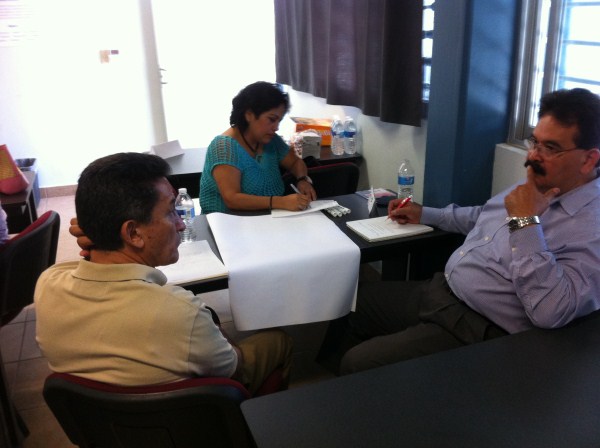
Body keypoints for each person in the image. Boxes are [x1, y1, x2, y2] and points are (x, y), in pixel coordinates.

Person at [321, 88, 600, 375]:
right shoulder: (541, 183)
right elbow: (483, 216)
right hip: (442, 293)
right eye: (534, 142)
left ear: (589, 159)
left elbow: (551, 310)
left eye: (550, 148)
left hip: (476, 327)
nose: (533, 156)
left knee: (359, 362)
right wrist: (425, 214)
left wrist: (525, 221)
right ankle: (333, 391)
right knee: (353, 303)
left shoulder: (590, 228)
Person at [35, 152, 292, 395]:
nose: (180, 224)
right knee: (277, 340)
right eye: (170, 211)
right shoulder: (182, 312)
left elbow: (83, 263)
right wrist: (218, 334)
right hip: (194, 417)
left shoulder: (47, 285)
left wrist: (100, 232)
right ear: (133, 233)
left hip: (102, 421)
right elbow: (231, 368)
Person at [200, 81, 317, 214]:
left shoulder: (271, 140)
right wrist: (281, 202)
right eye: (271, 119)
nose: (276, 127)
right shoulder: (224, 147)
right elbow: (232, 199)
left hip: (267, 218)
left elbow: (295, 162)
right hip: (226, 221)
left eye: (279, 121)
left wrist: (302, 179)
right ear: (249, 114)